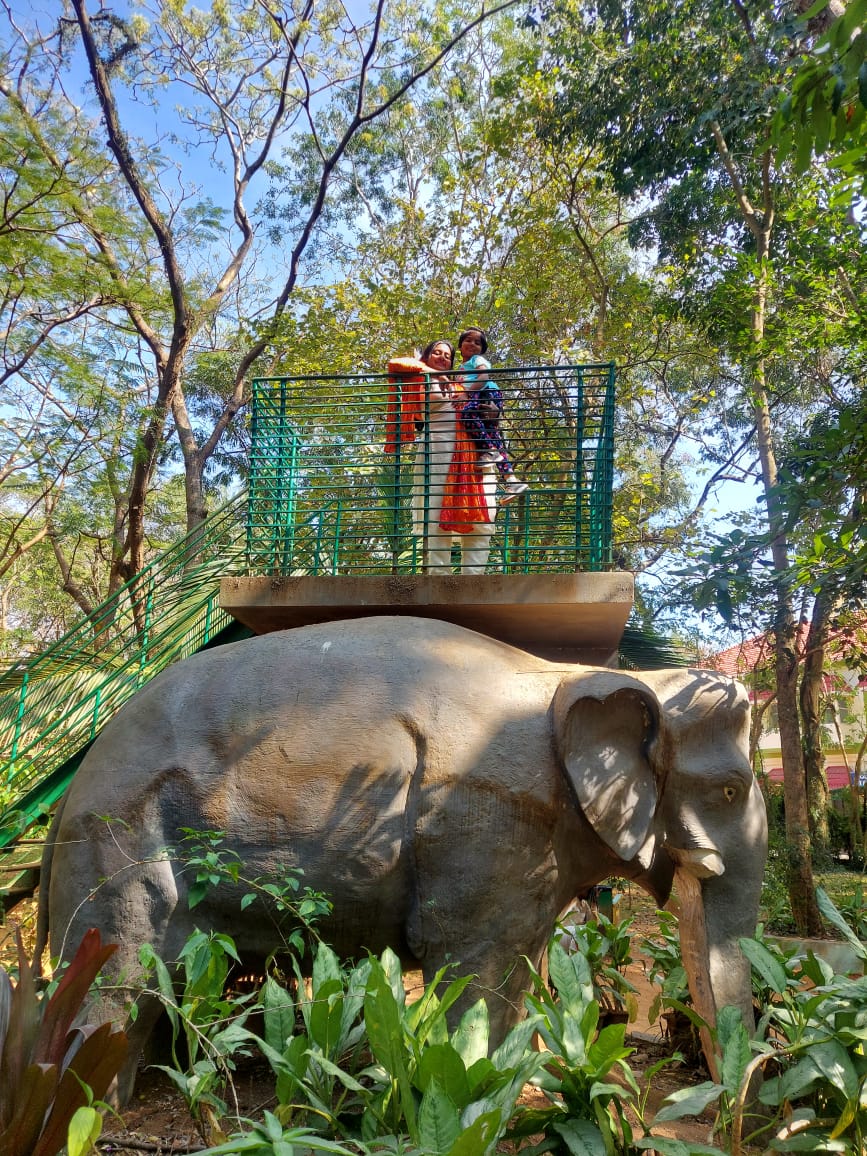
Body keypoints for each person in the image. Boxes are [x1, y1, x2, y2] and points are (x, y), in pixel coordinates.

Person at [385, 339, 495, 573]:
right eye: (437, 352)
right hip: (436, 452)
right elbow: (395, 364)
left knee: (480, 516)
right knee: (434, 515)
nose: (443, 357)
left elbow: (487, 405)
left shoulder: (464, 383)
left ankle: (473, 583)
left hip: (473, 452)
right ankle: (438, 580)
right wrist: (436, 374)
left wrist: (495, 411)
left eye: (448, 355)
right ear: (426, 357)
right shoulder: (420, 377)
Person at [456, 327, 529, 504]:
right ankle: (511, 481)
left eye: (477, 342)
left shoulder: (476, 360)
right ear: (459, 345)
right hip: (480, 394)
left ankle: (489, 451)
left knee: (467, 414)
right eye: (468, 340)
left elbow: (483, 377)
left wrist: (466, 394)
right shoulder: (460, 368)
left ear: (482, 349)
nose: (472, 344)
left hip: (486, 392)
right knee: (495, 438)